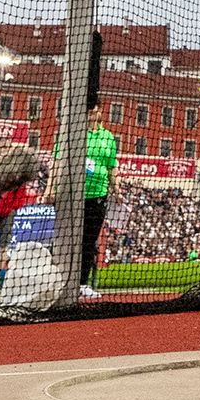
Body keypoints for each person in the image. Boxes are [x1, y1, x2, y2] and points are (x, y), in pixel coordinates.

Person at [81, 103, 117, 299]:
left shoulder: (108, 137)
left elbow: (112, 165)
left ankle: (82, 283)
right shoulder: (76, 132)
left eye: (96, 110)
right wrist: (50, 188)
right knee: (72, 240)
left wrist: (116, 188)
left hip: (99, 194)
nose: (93, 113)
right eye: (90, 110)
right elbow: (57, 160)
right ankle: (65, 280)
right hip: (75, 194)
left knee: (89, 241)